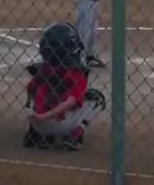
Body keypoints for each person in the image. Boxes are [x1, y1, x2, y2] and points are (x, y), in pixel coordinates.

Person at [23, 22, 106, 151]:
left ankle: (37, 135)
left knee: (35, 90)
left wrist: (37, 115)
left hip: (37, 122)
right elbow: (71, 101)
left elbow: (29, 88)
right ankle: (74, 135)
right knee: (96, 98)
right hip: (62, 124)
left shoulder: (44, 68)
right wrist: (45, 116)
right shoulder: (78, 73)